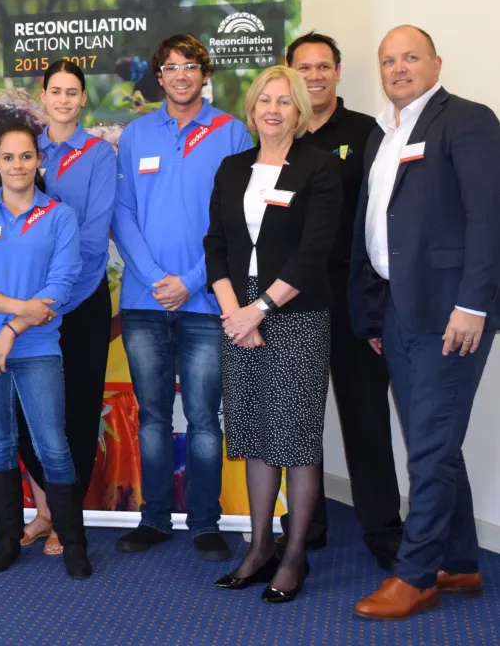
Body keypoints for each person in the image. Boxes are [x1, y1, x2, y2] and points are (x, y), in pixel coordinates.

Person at [352, 26, 500, 621]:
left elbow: (489, 219)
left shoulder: (467, 120)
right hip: (399, 309)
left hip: (450, 312)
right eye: (388, 60)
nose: (398, 68)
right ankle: (461, 562)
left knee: (430, 449)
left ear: (435, 62)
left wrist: (474, 304)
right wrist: (375, 310)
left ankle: (415, 576)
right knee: (431, 443)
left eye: (410, 57)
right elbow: (378, 223)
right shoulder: (383, 134)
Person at [111, 34, 253, 560]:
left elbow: (238, 222)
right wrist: (153, 278)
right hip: (145, 302)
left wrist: (191, 281)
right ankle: (152, 519)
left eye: (190, 66)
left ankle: (204, 522)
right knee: (149, 416)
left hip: (207, 302)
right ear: (159, 76)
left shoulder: (233, 132)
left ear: (203, 73)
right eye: (170, 67)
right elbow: (121, 213)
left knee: (201, 418)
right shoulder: (136, 133)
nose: (180, 75)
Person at [204, 65, 341, 603]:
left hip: (296, 313)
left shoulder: (318, 167)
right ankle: (259, 547)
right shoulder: (231, 167)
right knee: (256, 432)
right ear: (253, 107)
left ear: (299, 111)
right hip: (238, 313)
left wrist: (258, 310)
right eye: (266, 99)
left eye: (286, 101)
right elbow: (215, 244)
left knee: (298, 440)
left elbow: (314, 253)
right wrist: (235, 312)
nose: (274, 109)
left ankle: (294, 553)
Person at [282, 32, 401, 567]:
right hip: (292, 297)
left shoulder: (367, 132)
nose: (314, 76)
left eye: (323, 66)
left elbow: (382, 217)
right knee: (298, 418)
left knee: (365, 417)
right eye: (303, 67)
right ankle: (308, 527)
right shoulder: (277, 134)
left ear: (337, 72)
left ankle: (384, 533)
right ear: (289, 73)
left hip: (352, 296)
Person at [0, 123, 91, 578]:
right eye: (8, 157)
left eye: (26, 156)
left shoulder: (59, 216)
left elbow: (60, 287)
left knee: (53, 446)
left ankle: (74, 544)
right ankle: (7, 541)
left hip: (36, 348)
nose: (17, 165)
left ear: (39, 161)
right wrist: (18, 310)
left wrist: (11, 328)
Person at [16, 60, 116, 557]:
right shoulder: (25, 148)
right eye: (55, 91)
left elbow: (94, 238)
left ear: (82, 100)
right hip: (25, 306)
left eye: (72, 92)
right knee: (27, 411)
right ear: (43, 95)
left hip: (77, 303)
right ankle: (43, 510)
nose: (62, 99)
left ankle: (66, 519)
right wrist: (29, 304)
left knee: (75, 411)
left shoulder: (98, 154)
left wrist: (52, 302)